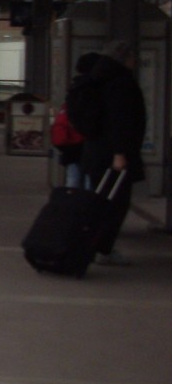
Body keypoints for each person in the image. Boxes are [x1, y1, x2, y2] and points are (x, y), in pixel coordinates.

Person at [79, 39, 146, 265]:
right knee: (115, 204)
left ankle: (92, 243)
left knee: (101, 201)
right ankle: (102, 248)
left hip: (94, 150)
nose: (134, 61)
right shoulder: (120, 82)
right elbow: (120, 121)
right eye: (131, 56)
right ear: (124, 57)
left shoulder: (97, 77)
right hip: (112, 154)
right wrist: (120, 153)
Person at [57, 51, 99, 189]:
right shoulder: (95, 87)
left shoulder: (75, 87)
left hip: (71, 143)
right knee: (89, 179)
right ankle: (86, 206)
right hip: (88, 141)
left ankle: (70, 206)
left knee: (73, 179)